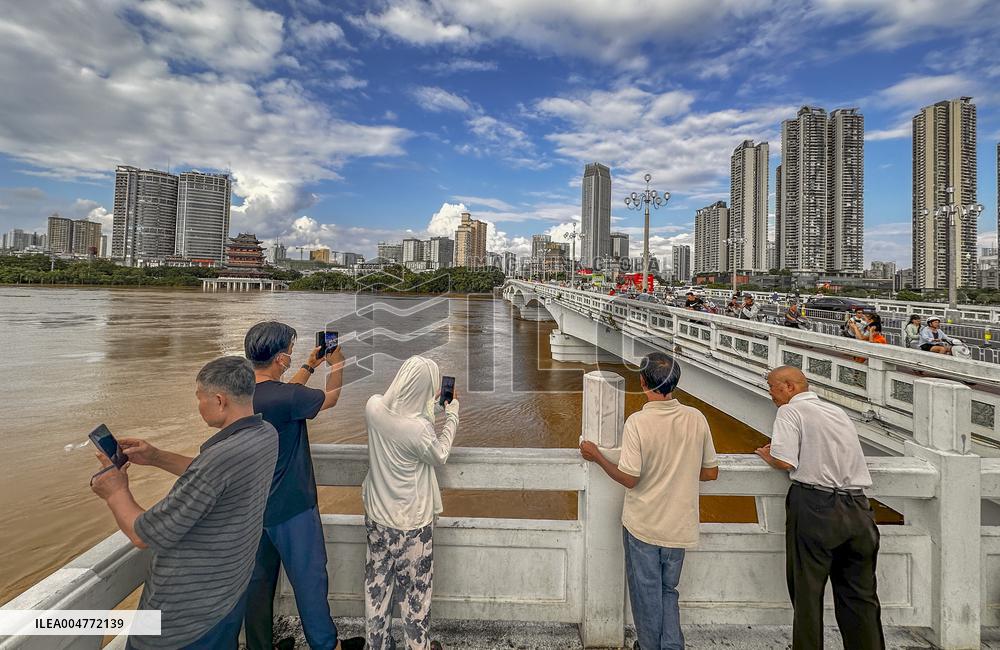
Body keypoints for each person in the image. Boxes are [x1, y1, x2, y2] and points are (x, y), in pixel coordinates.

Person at [91, 357, 279, 649]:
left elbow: (144, 534)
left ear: (219, 400)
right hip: (227, 595)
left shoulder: (220, 459)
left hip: (185, 618)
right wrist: (155, 456)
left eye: (199, 398)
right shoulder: (265, 435)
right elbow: (213, 474)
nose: (198, 405)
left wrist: (115, 491)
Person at [580, 353, 719, 650]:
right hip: (680, 526)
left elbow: (630, 478)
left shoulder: (639, 422)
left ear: (642, 382)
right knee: (669, 590)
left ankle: (648, 646)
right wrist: (679, 464)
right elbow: (710, 472)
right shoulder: (697, 418)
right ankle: (672, 646)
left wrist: (598, 456)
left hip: (644, 526)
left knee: (646, 595)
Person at [242, 322, 363, 650]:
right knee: (310, 583)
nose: (293, 357)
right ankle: (326, 645)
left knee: (257, 587)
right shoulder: (287, 397)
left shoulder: (242, 395)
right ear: (281, 358)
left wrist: (309, 365)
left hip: (252, 512)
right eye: (290, 353)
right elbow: (331, 398)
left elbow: (285, 394)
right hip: (292, 507)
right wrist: (337, 363)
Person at [754, 367, 884, 650]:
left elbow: (786, 460)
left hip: (817, 507)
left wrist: (768, 454)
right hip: (858, 508)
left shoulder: (790, 411)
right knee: (861, 597)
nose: (771, 395)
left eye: (772, 388)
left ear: (788, 387)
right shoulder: (837, 412)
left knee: (808, 596)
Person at [362, 356, 460, 650]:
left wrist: (430, 410)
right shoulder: (418, 430)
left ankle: (376, 644)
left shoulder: (373, 407)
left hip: (377, 518)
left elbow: (407, 415)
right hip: (412, 525)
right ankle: (417, 646)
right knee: (416, 597)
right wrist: (452, 414)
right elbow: (439, 453)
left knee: (377, 589)